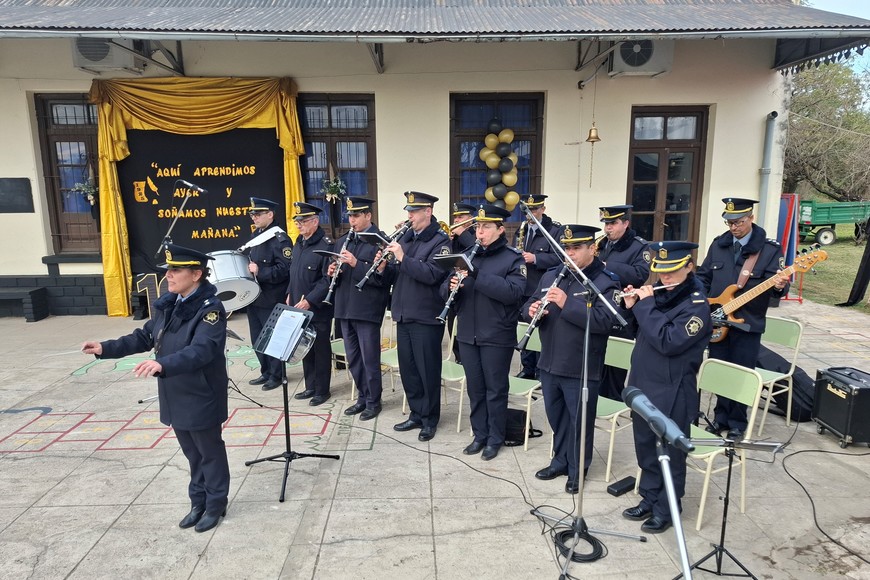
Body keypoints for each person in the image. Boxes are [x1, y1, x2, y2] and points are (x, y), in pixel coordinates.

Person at [81, 244, 230, 533]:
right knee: (192, 453)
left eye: (176, 270)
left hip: (200, 393)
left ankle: (215, 504)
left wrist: (162, 364)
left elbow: (202, 350)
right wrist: (105, 348)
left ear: (196, 274)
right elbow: (144, 336)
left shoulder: (210, 309)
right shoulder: (170, 304)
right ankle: (198, 501)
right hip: (175, 391)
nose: (168, 275)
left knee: (209, 452)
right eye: (168, 270)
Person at [620, 241, 712, 534]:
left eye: (672, 271)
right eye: (660, 271)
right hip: (644, 383)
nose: (665, 277)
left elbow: (668, 341)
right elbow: (641, 333)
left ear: (689, 267)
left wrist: (645, 305)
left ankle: (667, 507)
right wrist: (632, 307)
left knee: (669, 453)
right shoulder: (661, 295)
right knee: (646, 447)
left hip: (672, 388)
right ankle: (649, 497)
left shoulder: (696, 306)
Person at [523, 224, 622, 493]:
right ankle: (560, 461)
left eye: (576, 248)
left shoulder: (605, 281)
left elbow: (604, 321)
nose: (570, 253)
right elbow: (528, 303)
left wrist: (567, 303)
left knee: (580, 422)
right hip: (549, 361)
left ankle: (578, 469)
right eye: (566, 248)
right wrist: (531, 310)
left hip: (581, 365)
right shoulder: (552, 274)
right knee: (557, 418)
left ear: (592, 248)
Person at [696, 198, 790, 440]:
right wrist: (704, 302)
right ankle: (720, 417)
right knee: (720, 371)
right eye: (729, 223)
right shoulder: (719, 244)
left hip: (748, 323)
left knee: (741, 374)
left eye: (738, 222)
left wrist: (780, 285)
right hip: (718, 321)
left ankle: (738, 422)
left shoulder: (769, 249)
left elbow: (777, 289)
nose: (733, 228)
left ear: (751, 218)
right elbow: (704, 277)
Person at [442, 204, 525, 461]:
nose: (480, 232)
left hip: (497, 334)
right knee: (475, 389)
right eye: (478, 227)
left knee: (495, 390)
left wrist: (476, 275)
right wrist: (451, 287)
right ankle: (480, 434)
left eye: (486, 227)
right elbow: (445, 291)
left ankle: (495, 438)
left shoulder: (513, 258)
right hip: (469, 333)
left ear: (500, 229)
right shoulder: (468, 255)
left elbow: (513, 293)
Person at [384, 191, 451, 441]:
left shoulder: (441, 242)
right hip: (404, 313)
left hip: (426, 316)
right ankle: (416, 413)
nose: (409, 216)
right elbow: (398, 274)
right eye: (408, 212)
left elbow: (433, 274)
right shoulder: (407, 237)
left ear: (428, 212)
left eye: (414, 212)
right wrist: (385, 265)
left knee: (427, 370)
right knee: (409, 370)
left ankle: (430, 419)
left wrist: (402, 257)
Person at [329, 196, 392, 421]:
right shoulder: (343, 241)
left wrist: (356, 264)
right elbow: (336, 275)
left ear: (368, 215)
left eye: (356, 215)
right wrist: (332, 273)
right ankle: (362, 397)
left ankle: (374, 401)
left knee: (369, 359)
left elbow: (384, 279)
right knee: (353, 359)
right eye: (350, 216)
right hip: (344, 307)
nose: (352, 220)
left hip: (367, 309)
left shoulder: (381, 242)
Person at [595, 204, 651, 401]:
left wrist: (607, 266)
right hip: (600, 309)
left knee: (614, 369)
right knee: (597, 364)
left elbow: (640, 274)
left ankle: (612, 405)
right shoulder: (601, 244)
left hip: (622, 312)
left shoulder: (638, 246)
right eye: (606, 224)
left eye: (613, 223)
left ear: (626, 223)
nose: (608, 228)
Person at [286, 202, 334, 406]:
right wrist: (290, 293)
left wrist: (309, 301)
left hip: (318, 307)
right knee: (304, 346)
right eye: (297, 221)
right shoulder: (299, 242)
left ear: (315, 222)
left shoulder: (326, 245)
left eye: (303, 221)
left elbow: (327, 279)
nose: (299, 225)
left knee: (320, 350)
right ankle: (310, 386)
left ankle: (322, 390)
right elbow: (294, 272)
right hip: (299, 304)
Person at [245, 197, 293, 391]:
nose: (254, 217)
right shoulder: (256, 236)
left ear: (270, 214)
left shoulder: (280, 238)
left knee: (272, 338)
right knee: (257, 337)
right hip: (255, 296)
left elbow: (285, 269)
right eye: (252, 214)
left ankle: (276, 374)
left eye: (258, 214)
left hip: (272, 296)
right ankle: (265, 371)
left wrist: (260, 271)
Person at [513, 194, 561, 379]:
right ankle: (528, 368)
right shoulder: (522, 229)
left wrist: (536, 258)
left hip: (542, 287)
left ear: (543, 209)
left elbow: (561, 258)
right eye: (527, 210)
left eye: (534, 209)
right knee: (525, 326)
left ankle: (541, 370)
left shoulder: (554, 230)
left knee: (541, 329)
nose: (530, 213)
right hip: (524, 286)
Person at [447, 202, 477, 363]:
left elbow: (476, 249)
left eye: (461, 217)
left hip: (469, 288)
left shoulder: (476, 232)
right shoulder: (454, 236)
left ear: (470, 219)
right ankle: (458, 357)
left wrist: (463, 233)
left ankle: (466, 360)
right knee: (452, 326)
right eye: (456, 217)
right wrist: (448, 240)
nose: (457, 220)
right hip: (453, 286)